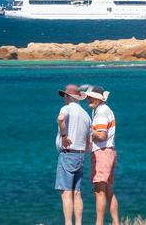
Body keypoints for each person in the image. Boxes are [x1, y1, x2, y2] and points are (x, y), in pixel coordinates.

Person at [55, 84, 91, 225]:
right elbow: (89, 140)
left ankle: (68, 223)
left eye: (65, 95)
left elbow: (60, 118)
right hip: (80, 155)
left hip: (68, 154)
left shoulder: (67, 108)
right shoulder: (86, 115)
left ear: (69, 96)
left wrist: (64, 136)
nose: (64, 98)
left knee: (66, 192)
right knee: (77, 192)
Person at [85, 85, 119, 225]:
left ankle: (99, 223)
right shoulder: (105, 110)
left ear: (98, 99)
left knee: (99, 191)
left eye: (91, 97)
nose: (88, 99)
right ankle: (116, 223)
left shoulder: (101, 113)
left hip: (102, 152)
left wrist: (89, 131)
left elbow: (102, 135)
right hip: (110, 151)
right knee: (108, 190)